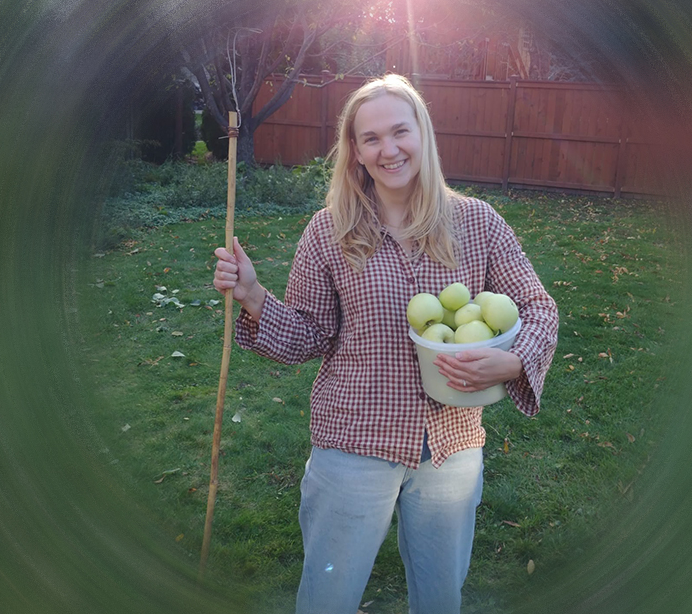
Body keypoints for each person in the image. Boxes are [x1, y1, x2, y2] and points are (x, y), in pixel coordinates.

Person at [213, 74, 558, 614]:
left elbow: (539, 309)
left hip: (452, 444)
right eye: (370, 137)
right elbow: (310, 332)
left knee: (440, 600)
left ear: (423, 133)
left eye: (400, 131)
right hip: (353, 443)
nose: (388, 149)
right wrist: (255, 296)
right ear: (354, 151)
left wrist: (513, 360)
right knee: (327, 599)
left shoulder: (477, 222)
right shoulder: (329, 231)